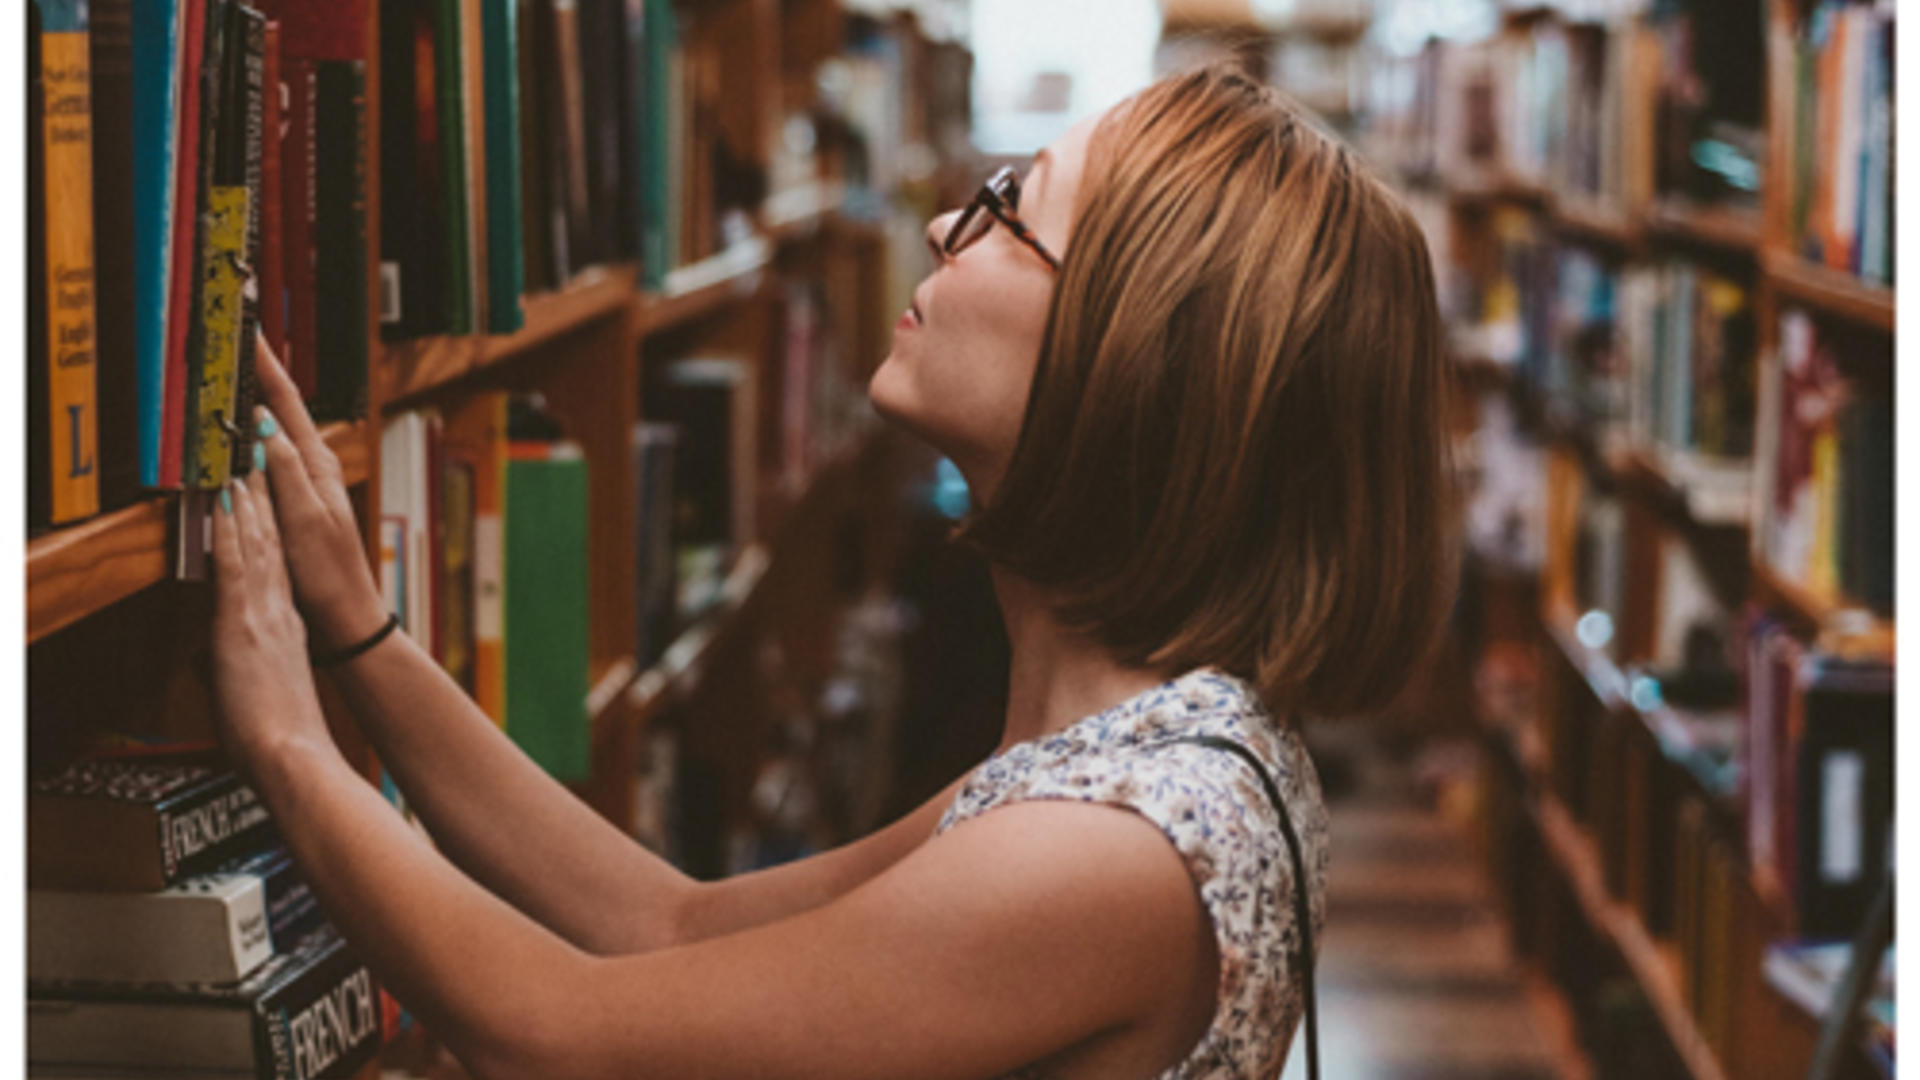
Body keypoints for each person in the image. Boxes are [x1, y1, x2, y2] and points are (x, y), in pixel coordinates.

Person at [211, 61, 1456, 1079]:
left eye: (1009, 208)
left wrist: (285, 744)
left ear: (1131, 358)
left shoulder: (1110, 849)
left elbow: (555, 1036)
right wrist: (361, 636)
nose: (940, 226)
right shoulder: (1126, 755)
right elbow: (665, 925)